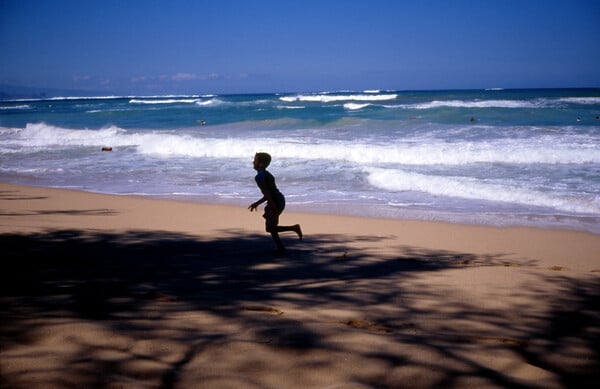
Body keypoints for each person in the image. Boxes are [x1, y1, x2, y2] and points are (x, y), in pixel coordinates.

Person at [248, 152, 302, 253]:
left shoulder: (260, 177)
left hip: (275, 201)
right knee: (271, 226)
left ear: (261, 164)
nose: (253, 162)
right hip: (277, 199)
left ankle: (294, 228)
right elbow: (269, 193)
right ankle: (280, 248)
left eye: (255, 160)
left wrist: (272, 206)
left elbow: (267, 194)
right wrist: (258, 203)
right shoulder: (266, 174)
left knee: (270, 228)